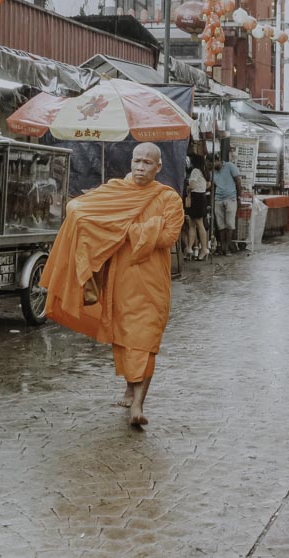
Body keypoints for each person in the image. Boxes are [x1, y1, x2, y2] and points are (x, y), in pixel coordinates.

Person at [41, 143, 184, 427]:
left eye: (147, 163)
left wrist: (123, 229)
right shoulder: (116, 190)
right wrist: (113, 228)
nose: (141, 167)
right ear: (130, 162)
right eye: (137, 161)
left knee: (146, 340)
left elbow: (169, 236)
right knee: (124, 336)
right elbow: (77, 208)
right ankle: (131, 387)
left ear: (159, 167)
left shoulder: (169, 199)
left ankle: (139, 406)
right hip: (121, 279)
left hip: (152, 281)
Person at [211, 156, 242, 255]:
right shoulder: (212, 171)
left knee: (230, 224)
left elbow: (238, 181)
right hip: (218, 199)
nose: (211, 165)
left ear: (218, 160)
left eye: (213, 163)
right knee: (221, 225)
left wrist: (239, 196)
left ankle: (227, 247)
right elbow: (213, 185)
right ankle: (223, 247)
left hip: (231, 198)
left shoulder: (229, 166)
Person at [185, 156, 209, 260]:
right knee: (193, 223)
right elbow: (208, 184)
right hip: (202, 197)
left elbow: (193, 185)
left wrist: (188, 187)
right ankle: (190, 248)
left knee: (197, 224)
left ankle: (203, 248)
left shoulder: (195, 171)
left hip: (196, 198)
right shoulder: (205, 172)